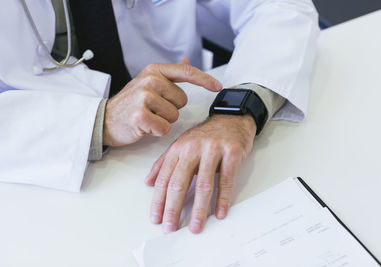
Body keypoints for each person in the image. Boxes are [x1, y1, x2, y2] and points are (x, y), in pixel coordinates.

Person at [0, 0, 319, 234]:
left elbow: (278, 7)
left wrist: (235, 111)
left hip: (177, 132)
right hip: (35, 179)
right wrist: (99, 121)